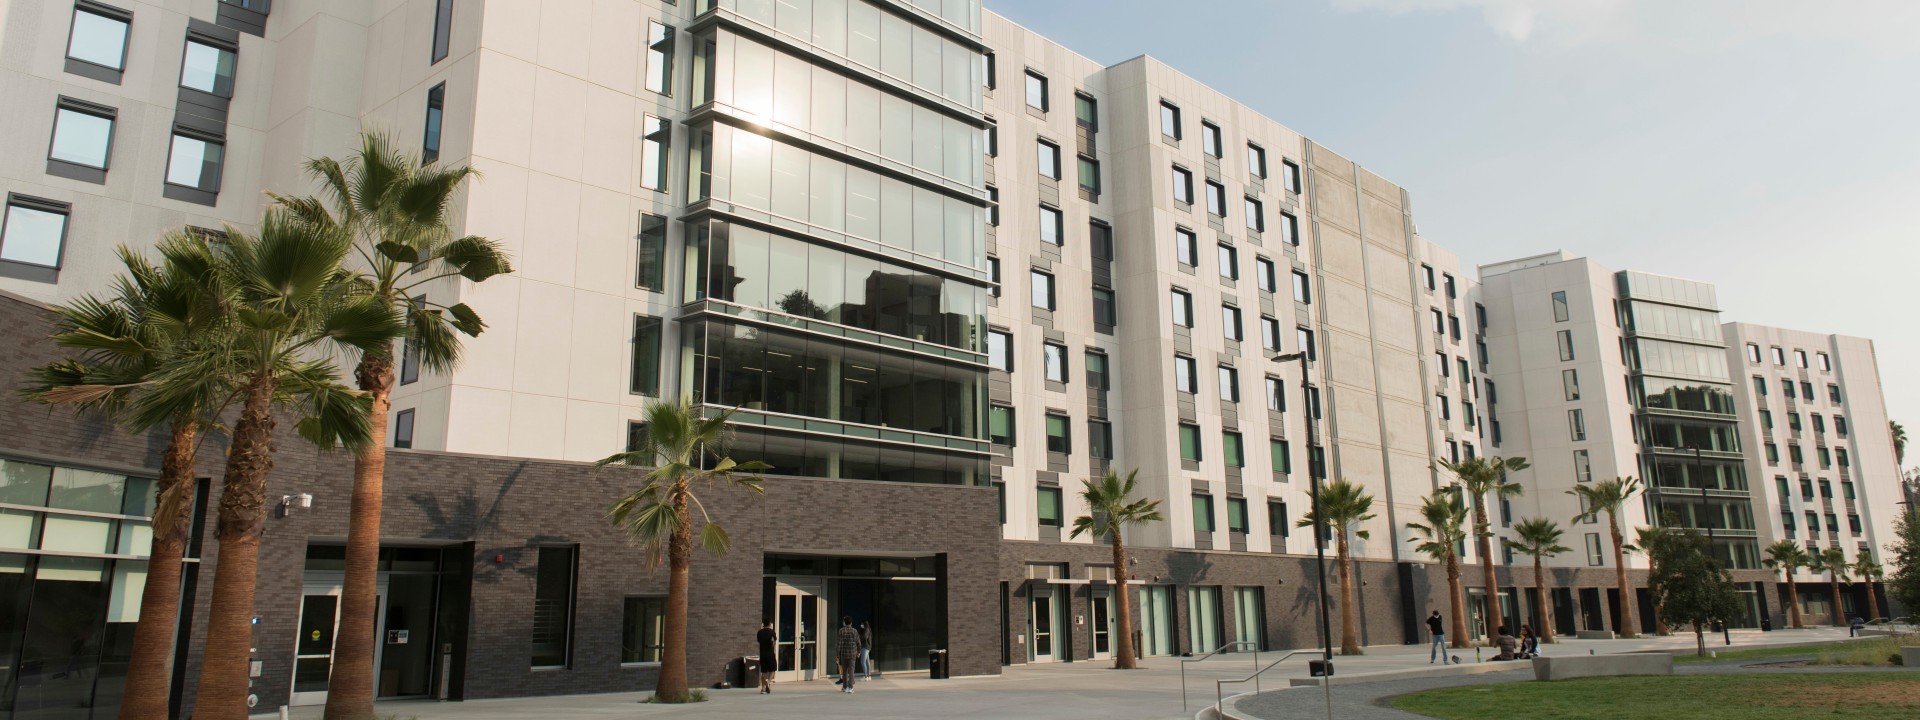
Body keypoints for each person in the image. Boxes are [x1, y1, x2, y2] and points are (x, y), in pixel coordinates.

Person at [836, 616, 861, 693]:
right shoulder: (854, 631)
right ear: (851, 623)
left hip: (843, 654)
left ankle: (844, 687)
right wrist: (859, 652)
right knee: (851, 671)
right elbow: (858, 643)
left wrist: (837, 654)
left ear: (844, 623)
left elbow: (838, 644)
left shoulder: (841, 631)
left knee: (844, 671)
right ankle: (850, 687)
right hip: (852, 654)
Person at [756, 619, 777, 694]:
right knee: (773, 669)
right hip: (770, 654)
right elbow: (774, 642)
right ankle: (768, 682)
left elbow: (759, 641)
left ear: (763, 624)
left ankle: (763, 688)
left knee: (763, 672)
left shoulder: (759, 632)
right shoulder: (772, 632)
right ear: (770, 624)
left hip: (762, 654)